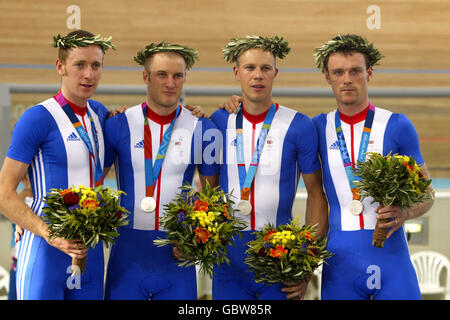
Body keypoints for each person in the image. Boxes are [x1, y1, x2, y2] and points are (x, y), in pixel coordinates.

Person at [312, 34, 434, 299]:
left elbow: (428, 194)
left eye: (355, 71)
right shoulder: (316, 128)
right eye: (338, 72)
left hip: (392, 261)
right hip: (340, 264)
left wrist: (405, 212)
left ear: (369, 73)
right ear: (327, 77)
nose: (347, 79)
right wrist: (235, 105)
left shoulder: (398, 125)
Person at [210, 36, 328, 300]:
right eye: (250, 68)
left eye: (265, 68)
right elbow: (206, 187)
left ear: (276, 72)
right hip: (228, 258)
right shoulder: (218, 121)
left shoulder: (299, 125)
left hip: (279, 256)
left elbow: (317, 195)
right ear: (236, 72)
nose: (258, 75)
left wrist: (305, 265)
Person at [0, 30, 115, 300]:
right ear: (60, 66)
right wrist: (47, 232)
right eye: (80, 65)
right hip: (45, 251)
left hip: (91, 253)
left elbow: (97, 173)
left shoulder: (101, 115)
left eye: (95, 65)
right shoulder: (37, 118)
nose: (89, 75)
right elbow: (4, 194)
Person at [103, 42, 220, 300]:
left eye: (178, 75)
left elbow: (213, 199)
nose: (171, 83)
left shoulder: (203, 128)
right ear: (146, 77)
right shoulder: (118, 124)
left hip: (176, 256)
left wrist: (196, 240)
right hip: (126, 256)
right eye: (162, 75)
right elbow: (90, 181)